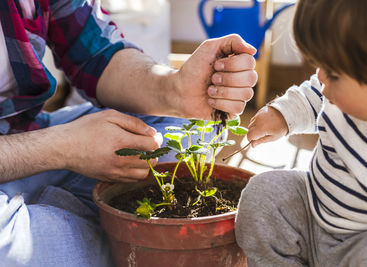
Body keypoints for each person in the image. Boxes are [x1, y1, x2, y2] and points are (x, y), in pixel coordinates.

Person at [0, 0, 257, 266]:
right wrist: (64, 148)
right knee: (9, 252)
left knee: (191, 125)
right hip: (34, 152)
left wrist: (175, 89)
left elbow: (95, 53)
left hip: (22, 132)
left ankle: (68, 227)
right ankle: (123, 241)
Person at [235, 0, 367, 266]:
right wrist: (283, 115)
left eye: (332, 72)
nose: (320, 76)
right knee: (264, 195)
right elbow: (314, 94)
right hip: (312, 211)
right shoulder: (334, 93)